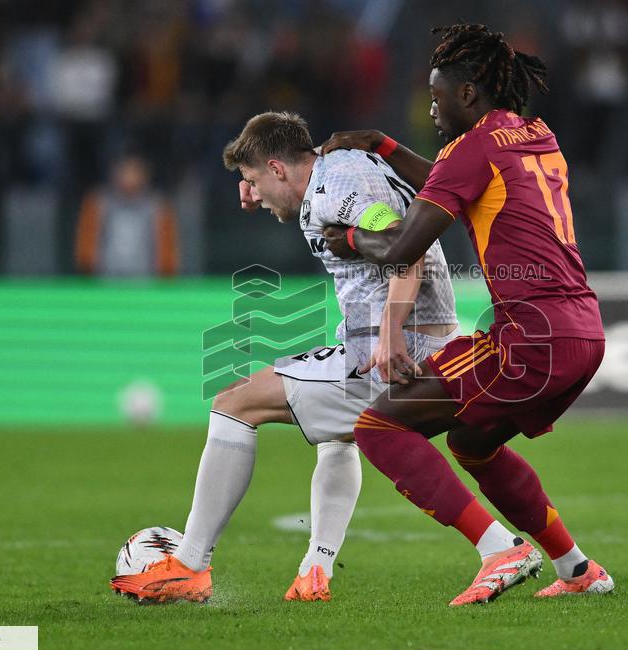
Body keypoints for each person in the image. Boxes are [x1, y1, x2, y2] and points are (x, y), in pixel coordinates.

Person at [110, 111, 513, 604]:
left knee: (234, 402)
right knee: (336, 436)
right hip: (408, 340)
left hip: (397, 349)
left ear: (278, 168)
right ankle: (315, 571)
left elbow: (404, 247)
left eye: (254, 180)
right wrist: (261, 188)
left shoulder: (331, 190)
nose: (252, 194)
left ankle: (190, 565)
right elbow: (365, 211)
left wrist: (390, 333)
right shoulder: (335, 167)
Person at [320, 23, 614, 604]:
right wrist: (382, 146)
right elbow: (449, 180)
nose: (431, 107)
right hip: (583, 332)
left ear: (468, 93)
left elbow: (401, 247)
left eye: (436, 96)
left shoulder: (471, 149)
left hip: (531, 339)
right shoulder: (535, 133)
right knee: (473, 443)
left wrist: (348, 237)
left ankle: (502, 551)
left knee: (379, 428)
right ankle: (578, 570)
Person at [75, 155, 179, 278]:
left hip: (145, 281)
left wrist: (165, 274)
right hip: (106, 279)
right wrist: (88, 270)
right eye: (125, 171)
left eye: (134, 172)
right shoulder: (99, 202)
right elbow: (87, 247)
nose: (129, 177)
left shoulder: (156, 206)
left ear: (144, 175)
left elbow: (167, 251)